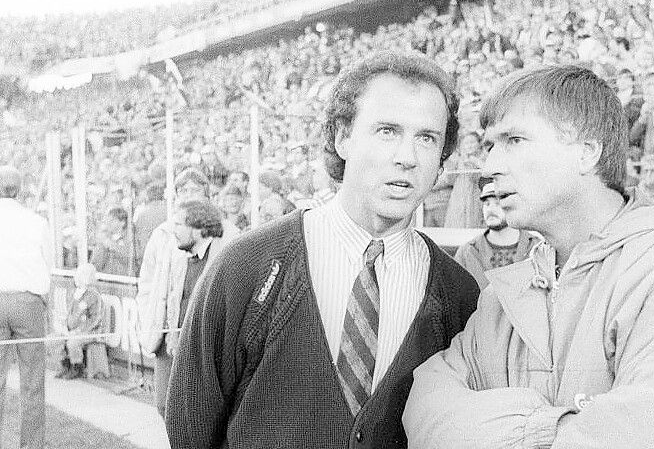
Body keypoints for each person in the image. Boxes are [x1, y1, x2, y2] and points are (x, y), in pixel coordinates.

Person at [403, 66, 654, 448]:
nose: (491, 166)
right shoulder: (504, 297)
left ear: (586, 152)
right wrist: (563, 427)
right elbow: (425, 410)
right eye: (490, 146)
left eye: (513, 140)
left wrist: (524, 429)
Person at [166, 52, 479, 448]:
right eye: (387, 131)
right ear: (341, 137)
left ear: (442, 158)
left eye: (427, 138)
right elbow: (190, 430)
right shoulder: (245, 267)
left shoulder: (459, 295)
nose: (407, 157)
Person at [135, 167, 239, 419]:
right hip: (167, 332)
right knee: (165, 406)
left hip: (205, 338)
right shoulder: (163, 233)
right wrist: (149, 319)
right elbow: (147, 283)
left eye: (196, 190)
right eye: (184, 190)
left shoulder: (227, 234)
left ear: (207, 195)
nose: (189, 195)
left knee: (203, 413)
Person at [0, 165, 50, 449]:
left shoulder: (34, 220)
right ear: (18, 190)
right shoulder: (35, 221)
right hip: (27, 301)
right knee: (32, 383)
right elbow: (47, 264)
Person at [454, 179, 541, 289]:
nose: (490, 209)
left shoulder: (537, 248)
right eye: (487, 204)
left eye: (497, 203)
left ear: (513, 206)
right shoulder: (467, 253)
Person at [55, 263, 104, 380]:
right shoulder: (77, 294)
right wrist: (66, 328)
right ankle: (65, 365)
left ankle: (77, 367)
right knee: (56, 339)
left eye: (79, 275)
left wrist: (78, 331)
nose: (76, 278)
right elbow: (70, 315)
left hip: (91, 332)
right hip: (74, 330)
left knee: (72, 342)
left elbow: (95, 320)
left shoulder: (93, 295)